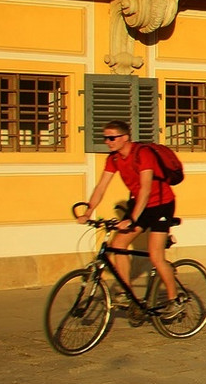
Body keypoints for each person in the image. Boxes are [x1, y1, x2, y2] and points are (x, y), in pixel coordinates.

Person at [78, 121, 184, 317]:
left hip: (161, 204)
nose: (108, 142)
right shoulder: (114, 159)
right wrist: (88, 211)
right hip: (139, 205)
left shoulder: (142, 154)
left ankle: (174, 300)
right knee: (118, 245)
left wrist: (132, 218)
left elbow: (145, 188)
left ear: (124, 137)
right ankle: (125, 294)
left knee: (155, 256)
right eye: (105, 138)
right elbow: (101, 186)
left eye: (112, 138)